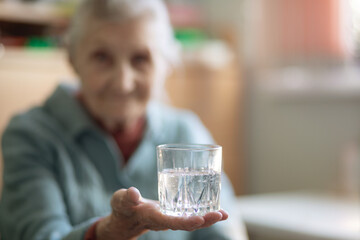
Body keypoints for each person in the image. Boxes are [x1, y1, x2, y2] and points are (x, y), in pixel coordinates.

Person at [0, 0, 247, 239]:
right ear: (73, 58)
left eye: (140, 59)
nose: (123, 83)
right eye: (102, 57)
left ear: (165, 63)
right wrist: (109, 232)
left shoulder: (186, 132)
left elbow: (224, 231)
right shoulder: (30, 135)